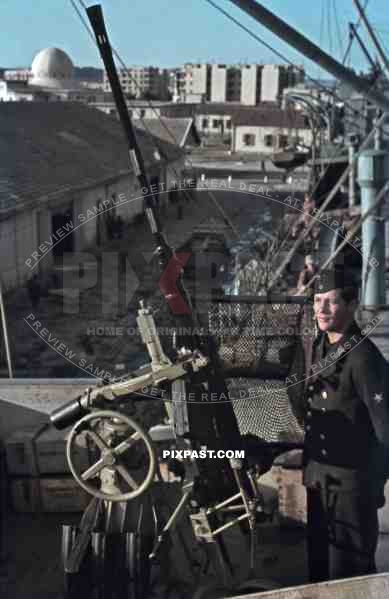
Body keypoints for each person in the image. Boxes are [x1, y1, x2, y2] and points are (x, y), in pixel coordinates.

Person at [300, 267, 389, 582]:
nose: (321, 309)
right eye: (317, 300)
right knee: (319, 574)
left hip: (351, 490)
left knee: (349, 578)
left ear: (351, 306)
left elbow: (386, 429)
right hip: (319, 482)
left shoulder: (364, 359)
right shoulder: (319, 347)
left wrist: (373, 487)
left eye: (331, 302)